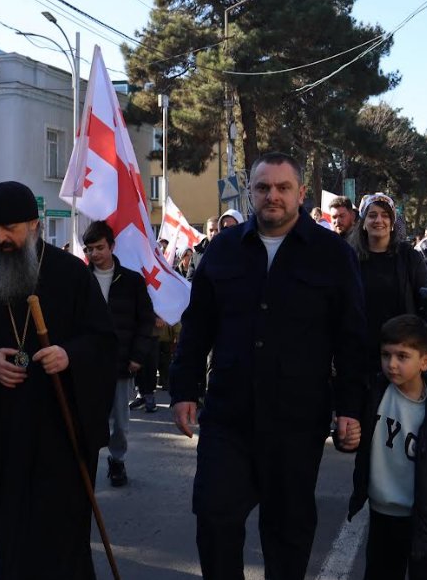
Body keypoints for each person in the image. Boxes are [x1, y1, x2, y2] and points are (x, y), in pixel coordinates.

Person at [170, 152, 368, 580]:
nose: (272, 196)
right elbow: (197, 325)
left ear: (300, 193)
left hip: (297, 421)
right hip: (228, 418)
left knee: (288, 531)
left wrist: (350, 407)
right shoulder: (222, 250)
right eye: (262, 188)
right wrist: (184, 390)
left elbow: (351, 339)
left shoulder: (332, 255)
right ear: (250, 194)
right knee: (214, 518)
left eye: (282, 188)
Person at [0, 181, 116, 579]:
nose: (2, 239)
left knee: (61, 531)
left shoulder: (71, 273)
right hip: (9, 426)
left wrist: (68, 354)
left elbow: (104, 340)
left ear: (35, 225)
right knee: (15, 529)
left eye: (11, 229)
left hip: (62, 424)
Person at [348, 314, 427, 580]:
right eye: (385, 355)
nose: (391, 364)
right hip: (382, 512)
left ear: (425, 361)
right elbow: (355, 436)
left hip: (424, 516)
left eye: (402, 356)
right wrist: (346, 439)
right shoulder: (375, 393)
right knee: (380, 572)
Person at [82, 220, 155, 486]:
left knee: (120, 423)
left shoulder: (132, 281)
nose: (94, 254)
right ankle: (86, 462)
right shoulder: (81, 279)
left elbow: (145, 320)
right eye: (89, 249)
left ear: (112, 246)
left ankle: (117, 460)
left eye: (99, 247)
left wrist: (138, 355)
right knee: (88, 417)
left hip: (120, 362)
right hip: (87, 365)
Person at [348, 193, 427, 368]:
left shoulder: (409, 257)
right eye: (372, 215)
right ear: (363, 222)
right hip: (360, 352)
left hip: (403, 351)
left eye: (385, 215)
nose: (379, 220)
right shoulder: (350, 258)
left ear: (392, 223)